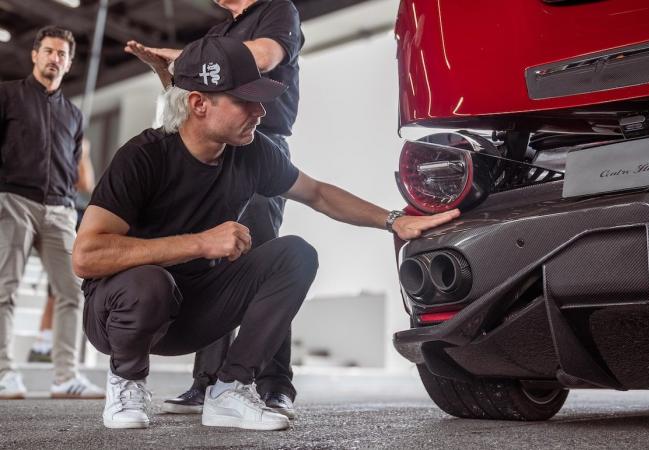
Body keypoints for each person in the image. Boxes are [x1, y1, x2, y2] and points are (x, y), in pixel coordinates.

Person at [73, 36, 457, 430]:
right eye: (243, 101)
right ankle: (127, 382)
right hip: (123, 316)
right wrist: (200, 243)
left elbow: (319, 194)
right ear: (198, 104)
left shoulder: (252, 151)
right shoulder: (143, 157)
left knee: (295, 254)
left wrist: (394, 220)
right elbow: (86, 256)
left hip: (196, 312)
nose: (260, 110)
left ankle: (230, 390)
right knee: (149, 282)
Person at [124, 0, 304, 417]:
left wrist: (186, 56)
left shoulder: (277, 11)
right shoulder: (214, 35)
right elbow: (188, 89)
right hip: (215, 149)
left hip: (258, 145)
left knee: (263, 263)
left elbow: (264, 55)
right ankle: (206, 383)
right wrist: (163, 67)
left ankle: (275, 384)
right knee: (210, 260)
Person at [0, 26, 104, 399]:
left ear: (69, 62)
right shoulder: (7, 95)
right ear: (35, 55)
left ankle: (65, 377)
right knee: (3, 290)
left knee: (72, 293)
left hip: (60, 210)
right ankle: (3, 373)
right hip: (14, 200)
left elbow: (79, 174)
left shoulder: (74, 116)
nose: (54, 58)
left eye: (62, 53)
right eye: (48, 51)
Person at [28, 139, 96, 364]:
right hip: (60, 212)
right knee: (65, 282)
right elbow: (86, 182)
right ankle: (45, 341)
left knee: (57, 285)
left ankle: (43, 340)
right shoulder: (74, 142)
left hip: (37, 207)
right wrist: (84, 155)